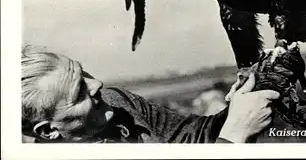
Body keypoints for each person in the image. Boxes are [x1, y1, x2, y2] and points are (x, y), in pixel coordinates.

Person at [21, 45, 280, 143]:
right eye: (79, 91)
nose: (97, 84)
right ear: (48, 131)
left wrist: (241, 103)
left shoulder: (116, 103)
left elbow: (190, 137)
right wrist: (235, 135)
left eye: (84, 73)